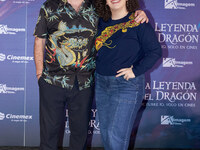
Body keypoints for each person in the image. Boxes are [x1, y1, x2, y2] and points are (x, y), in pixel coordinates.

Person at [33, 0, 148, 149]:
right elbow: (39, 40)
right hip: (52, 81)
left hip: (84, 83)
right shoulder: (50, 6)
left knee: (79, 136)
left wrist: (138, 13)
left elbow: (119, 15)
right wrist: (39, 74)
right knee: (49, 135)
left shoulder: (97, 7)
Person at [95, 0, 162, 150]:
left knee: (116, 137)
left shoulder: (138, 21)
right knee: (106, 135)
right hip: (101, 84)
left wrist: (135, 71)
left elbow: (155, 51)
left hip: (127, 86)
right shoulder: (99, 22)